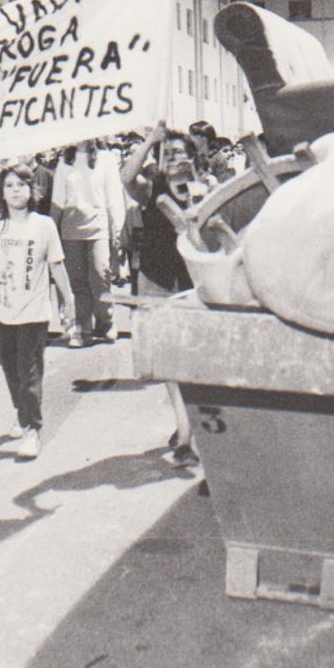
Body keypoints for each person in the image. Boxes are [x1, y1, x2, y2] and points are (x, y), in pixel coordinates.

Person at [0, 164, 76, 460]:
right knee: (11, 371)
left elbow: (56, 264)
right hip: (2, 311)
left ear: (31, 190)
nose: (15, 191)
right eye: (9, 186)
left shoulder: (44, 225)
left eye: (21, 185)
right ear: (1, 193)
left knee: (29, 372)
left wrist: (69, 299)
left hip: (34, 312)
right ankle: (22, 411)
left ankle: (32, 429)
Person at [120, 123, 200, 460]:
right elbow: (126, 178)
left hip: (194, 279)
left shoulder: (205, 186)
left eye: (180, 152)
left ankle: (192, 433)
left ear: (194, 156)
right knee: (168, 359)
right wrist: (151, 140)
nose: (174, 158)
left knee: (195, 359)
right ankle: (185, 431)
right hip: (157, 278)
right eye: (168, 153)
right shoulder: (151, 187)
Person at [50, 139, 125, 346]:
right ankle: (83, 328)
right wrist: (49, 231)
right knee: (76, 281)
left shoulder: (106, 159)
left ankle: (106, 321)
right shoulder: (64, 162)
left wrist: (117, 228)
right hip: (71, 227)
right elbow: (57, 201)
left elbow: (114, 197)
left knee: (101, 275)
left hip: (99, 226)